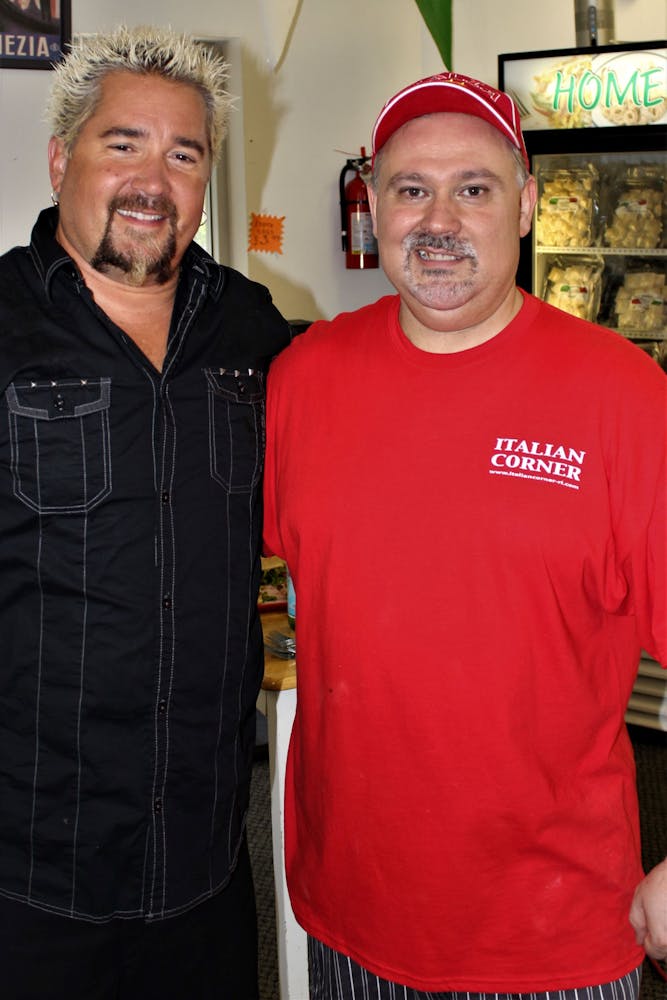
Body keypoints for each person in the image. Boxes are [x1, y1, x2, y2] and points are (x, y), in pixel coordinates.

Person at [263, 72, 667, 999]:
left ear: (523, 205)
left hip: (552, 933)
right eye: (410, 190)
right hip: (351, 915)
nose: (436, 220)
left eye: (472, 190)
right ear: (377, 205)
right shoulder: (306, 377)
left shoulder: (623, 398)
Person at [0, 24, 290, 1000]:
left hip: (203, 869)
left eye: (183, 152)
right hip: (27, 880)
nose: (151, 180)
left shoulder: (253, 332)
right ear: (60, 158)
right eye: (122, 143)